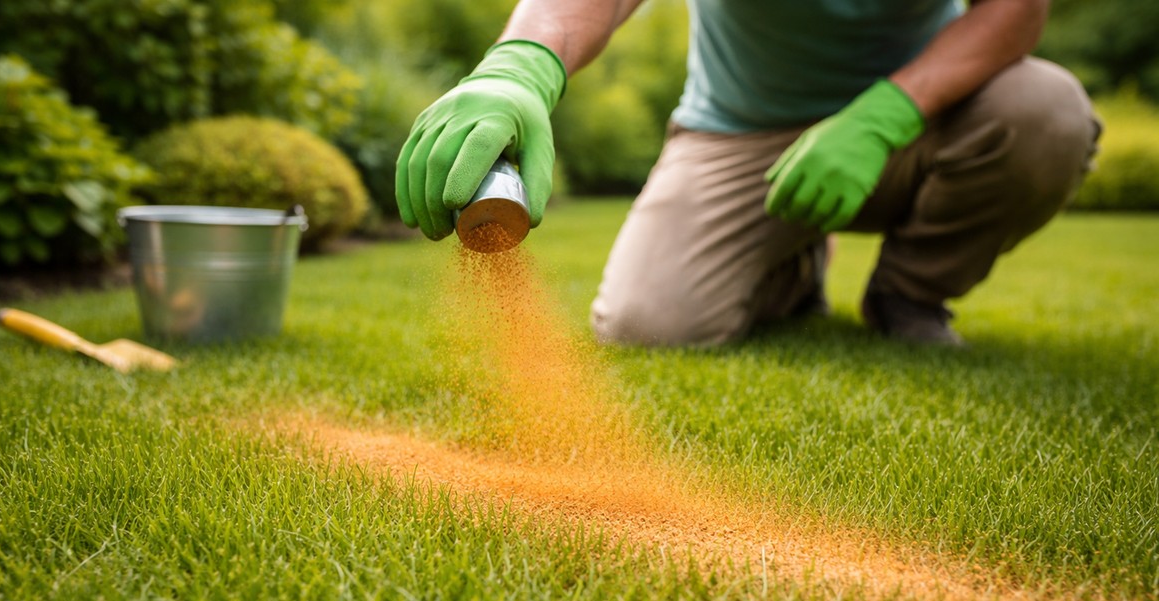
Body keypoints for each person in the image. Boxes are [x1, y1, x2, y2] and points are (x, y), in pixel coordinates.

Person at [395, 0, 1099, 347]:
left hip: (924, 116)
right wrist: (523, 62)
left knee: (1047, 112)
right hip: (739, 134)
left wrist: (887, 112)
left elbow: (1016, 10)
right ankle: (792, 268)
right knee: (649, 324)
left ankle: (909, 296)